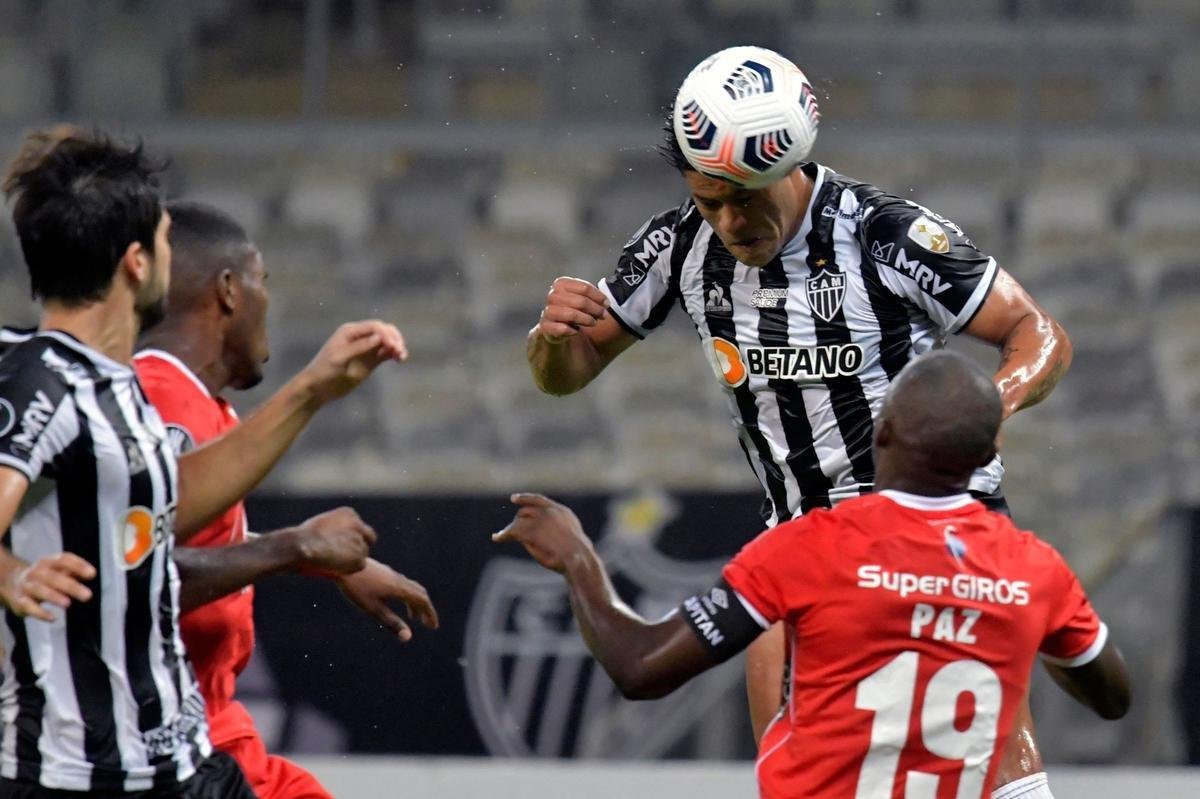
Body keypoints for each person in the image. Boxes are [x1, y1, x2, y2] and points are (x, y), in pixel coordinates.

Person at [526, 46, 1072, 798]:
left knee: (985, 764)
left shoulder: (883, 233)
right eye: (709, 201)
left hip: (935, 530)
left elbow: (1038, 332)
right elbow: (566, 373)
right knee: (800, 775)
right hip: (802, 543)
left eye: (745, 199)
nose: (729, 221)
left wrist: (993, 403)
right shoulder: (680, 244)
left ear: (789, 166)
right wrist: (551, 340)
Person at [497, 350, 1130, 799]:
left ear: (880, 433)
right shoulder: (1033, 568)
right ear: (988, 454)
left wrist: (578, 559)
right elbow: (1112, 697)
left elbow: (640, 667)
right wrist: (1009, 615)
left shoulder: (807, 548)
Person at [0, 128, 404, 796]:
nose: (172, 250)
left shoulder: (111, 385)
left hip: (176, 761)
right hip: (80, 774)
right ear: (137, 262)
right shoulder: (40, 381)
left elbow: (163, 508)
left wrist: (313, 390)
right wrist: (11, 572)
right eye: (164, 237)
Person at [130, 199, 438, 799]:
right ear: (228, 291)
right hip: (163, 742)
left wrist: (320, 561)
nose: (267, 301)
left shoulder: (197, 403)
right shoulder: (160, 399)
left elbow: (169, 533)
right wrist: (293, 548)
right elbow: (131, 572)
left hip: (210, 729)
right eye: (261, 280)